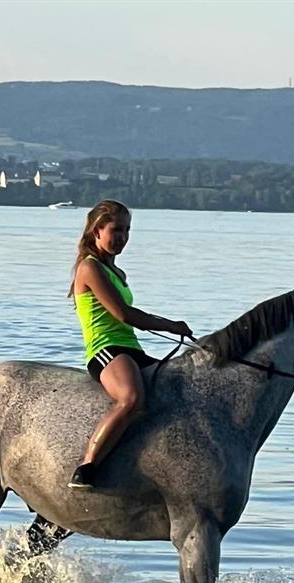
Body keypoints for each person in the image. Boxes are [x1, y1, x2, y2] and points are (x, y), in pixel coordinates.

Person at [68, 199, 193, 489]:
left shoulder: (117, 273)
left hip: (131, 348)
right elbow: (125, 315)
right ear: (96, 231)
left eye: (127, 230)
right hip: (106, 350)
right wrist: (171, 326)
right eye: (116, 230)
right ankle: (86, 467)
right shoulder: (90, 269)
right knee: (132, 398)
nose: (122, 237)